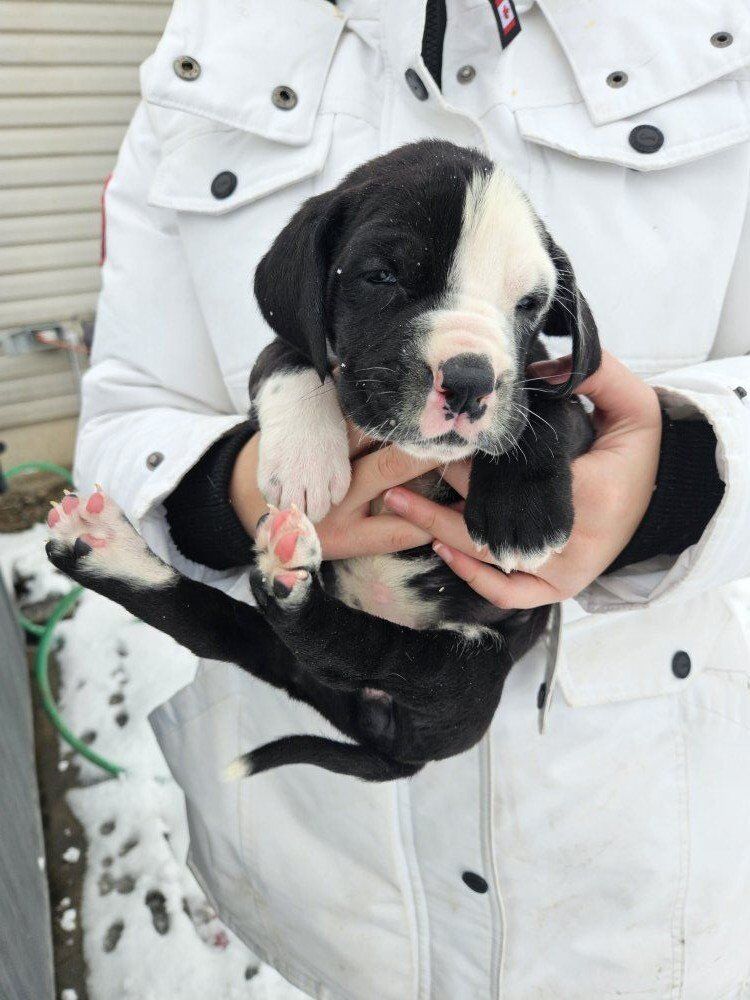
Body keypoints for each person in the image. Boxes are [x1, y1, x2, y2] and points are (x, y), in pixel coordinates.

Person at [76, 1, 750, 996]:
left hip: (648, 866)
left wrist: (674, 479)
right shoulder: (219, 42)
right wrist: (236, 491)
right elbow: (128, 408)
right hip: (317, 896)